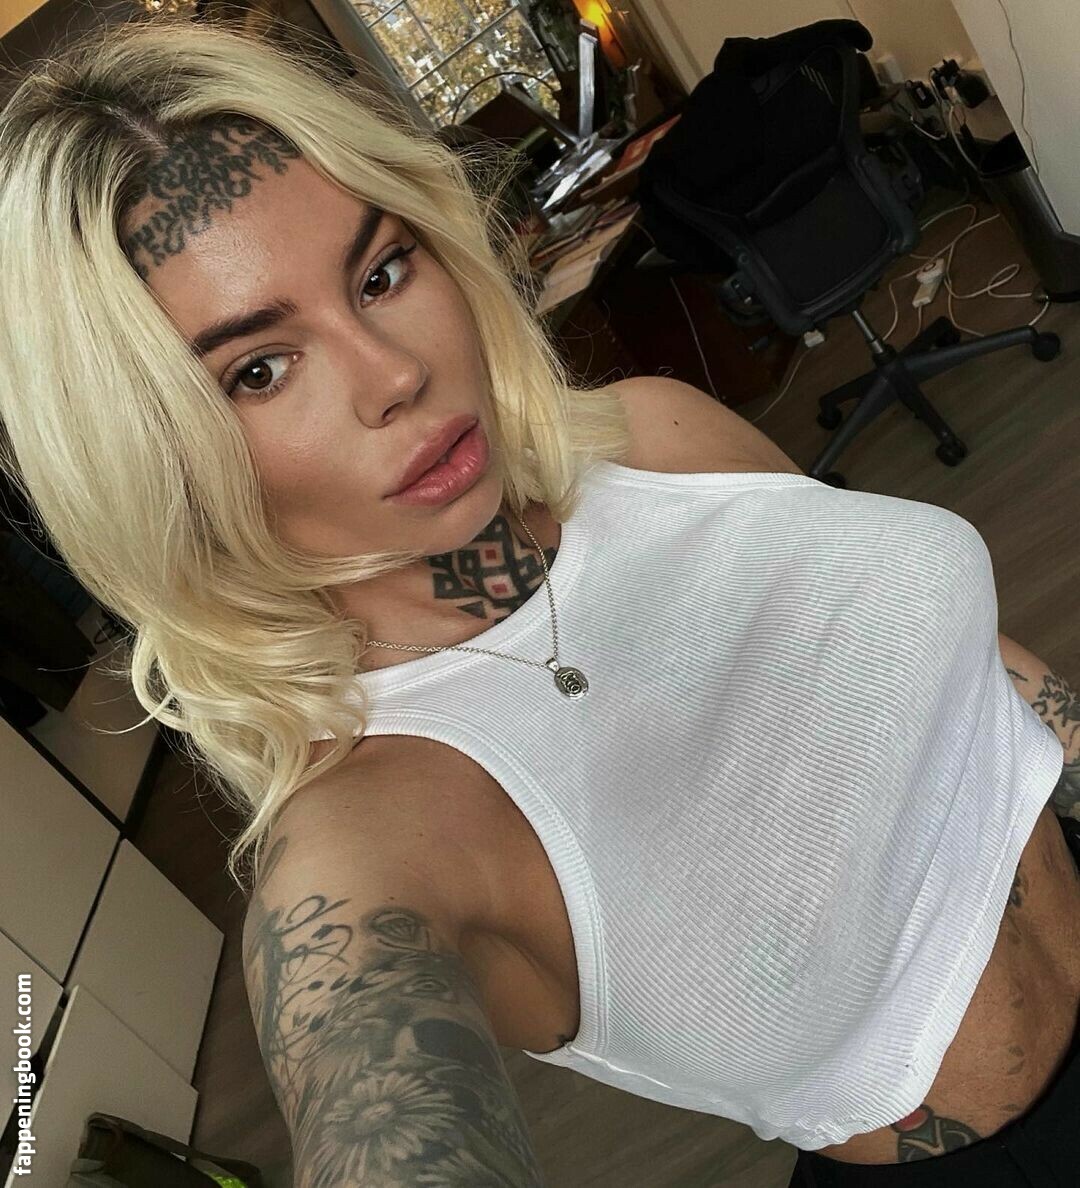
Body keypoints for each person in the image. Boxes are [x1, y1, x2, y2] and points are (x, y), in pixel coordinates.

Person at [1, 17, 1078, 1188]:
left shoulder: (655, 433)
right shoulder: (361, 841)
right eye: (258, 369)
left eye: (381, 272)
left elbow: (961, 669)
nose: (394, 373)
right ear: (151, 461)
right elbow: (372, 1092)